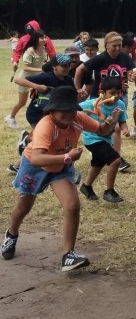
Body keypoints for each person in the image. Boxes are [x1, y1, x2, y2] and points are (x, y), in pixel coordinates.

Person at [1, 86, 119, 271]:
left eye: (71, 109)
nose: (68, 114)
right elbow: (38, 158)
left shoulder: (78, 119)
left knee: (72, 205)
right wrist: (67, 157)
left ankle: (68, 255)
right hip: (34, 166)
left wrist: (110, 122)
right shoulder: (46, 125)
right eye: (63, 110)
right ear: (52, 110)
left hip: (59, 167)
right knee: (24, 207)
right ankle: (11, 234)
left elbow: (102, 131)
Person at [8, 53, 76, 175]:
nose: (66, 68)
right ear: (54, 67)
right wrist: (37, 86)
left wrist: (80, 95)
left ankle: (18, 160)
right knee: (42, 142)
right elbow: (19, 80)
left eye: (68, 65)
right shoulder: (46, 77)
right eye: (63, 66)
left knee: (42, 141)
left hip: (52, 117)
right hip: (36, 114)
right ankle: (21, 159)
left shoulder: (68, 79)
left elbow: (72, 97)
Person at [77, 77, 129, 203]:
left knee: (98, 164)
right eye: (112, 93)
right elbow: (75, 108)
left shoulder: (120, 104)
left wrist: (125, 129)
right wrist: (85, 113)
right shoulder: (93, 104)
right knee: (115, 161)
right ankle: (109, 191)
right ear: (102, 93)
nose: (116, 96)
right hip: (92, 139)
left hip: (106, 139)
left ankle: (86, 186)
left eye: (119, 92)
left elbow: (122, 120)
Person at [7, 30, 48, 129]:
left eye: (45, 37)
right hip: (25, 79)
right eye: (41, 38)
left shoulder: (43, 49)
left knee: (40, 99)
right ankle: (11, 118)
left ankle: (41, 120)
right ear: (36, 39)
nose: (44, 40)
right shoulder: (30, 51)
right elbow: (25, 67)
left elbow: (44, 62)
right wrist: (41, 69)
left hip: (38, 78)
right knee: (22, 102)